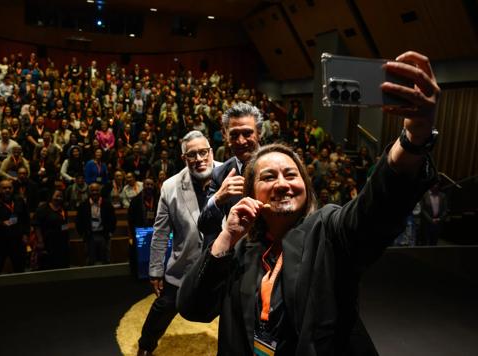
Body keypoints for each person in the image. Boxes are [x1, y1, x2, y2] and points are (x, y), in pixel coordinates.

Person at [177, 51, 441, 355]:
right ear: (250, 192)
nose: (282, 183)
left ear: (305, 185)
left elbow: (377, 205)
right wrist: (226, 236)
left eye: (291, 174)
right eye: (268, 177)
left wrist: (414, 136)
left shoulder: (329, 231)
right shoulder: (239, 249)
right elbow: (193, 308)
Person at [136, 131, 217, 355]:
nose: (200, 158)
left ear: (211, 152)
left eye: (204, 152)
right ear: (184, 159)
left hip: (223, 265)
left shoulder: (230, 174)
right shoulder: (170, 187)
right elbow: (160, 233)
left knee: (236, 311)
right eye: (193, 155)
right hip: (185, 265)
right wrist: (155, 271)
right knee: (163, 307)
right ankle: (145, 348)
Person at [198, 102, 262, 248]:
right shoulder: (220, 174)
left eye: (247, 133)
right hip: (238, 259)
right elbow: (205, 226)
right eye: (234, 134)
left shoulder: (280, 164)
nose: (240, 141)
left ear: (259, 132)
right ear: (225, 135)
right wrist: (218, 198)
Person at [0, 179, 31, 274]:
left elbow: (26, 218)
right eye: (4, 188)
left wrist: (26, 234)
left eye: (10, 188)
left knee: (19, 269)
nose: (7, 190)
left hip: (17, 241)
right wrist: (1, 223)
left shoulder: (19, 200)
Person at [76, 183, 116, 265]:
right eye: (92, 190)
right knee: (90, 260)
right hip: (89, 236)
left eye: (97, 190)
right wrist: (82, 234)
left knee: (105, 259)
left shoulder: (107, 204)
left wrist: (110, 232)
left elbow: (113, 219)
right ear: (89, 192)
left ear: (100, 191)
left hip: (104, 235)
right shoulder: (83, 205)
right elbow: (78, 221)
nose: (95, 192)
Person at [33, 189, 70, 269]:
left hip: (61, 242)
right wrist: (40, 241)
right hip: (47, 241)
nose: (59, 198)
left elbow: (65, 224)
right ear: (51, 197)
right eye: (57, 196)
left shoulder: (63, 209)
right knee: (48, 266)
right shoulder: (43, 208)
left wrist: (66, 232)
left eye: (61, 196)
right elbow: (37, 226)